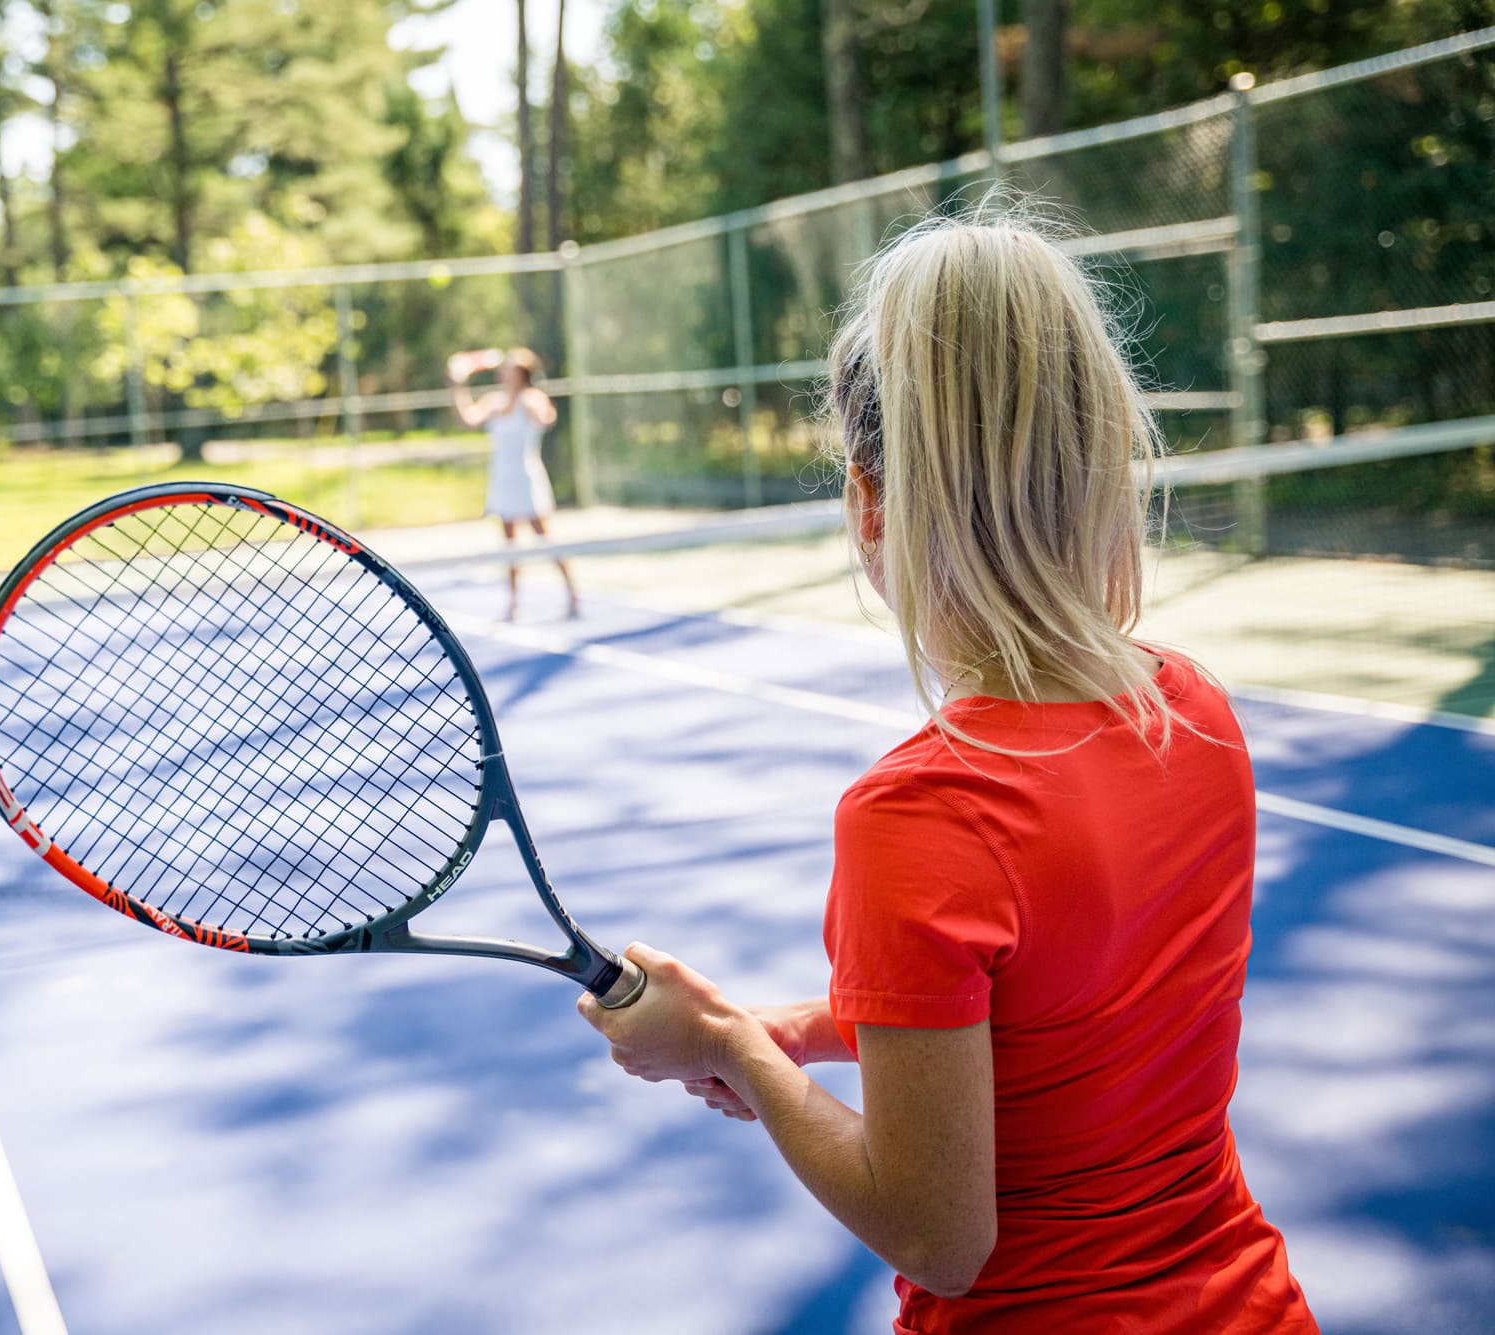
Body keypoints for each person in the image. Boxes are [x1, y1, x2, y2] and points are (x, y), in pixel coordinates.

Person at [577, 206, 1317, 1333]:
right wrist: (805, 1030)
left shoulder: (918, 812)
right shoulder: (1193, 709)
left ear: (869, 503)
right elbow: (1054, 1008)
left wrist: (728, 1047)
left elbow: (938, 1239)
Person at [447, 345, 579, 621]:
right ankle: (514, 603)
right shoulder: (494, 401)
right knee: (509, 544)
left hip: (527, 478)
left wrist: (533, 404)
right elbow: (467, 417)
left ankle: (572, 593)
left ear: (521, 373)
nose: (503, 372)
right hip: (503, 479)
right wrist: (458, 381)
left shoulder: (533, 398)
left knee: (545, 538)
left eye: (509, 368)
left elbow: (546, 417)